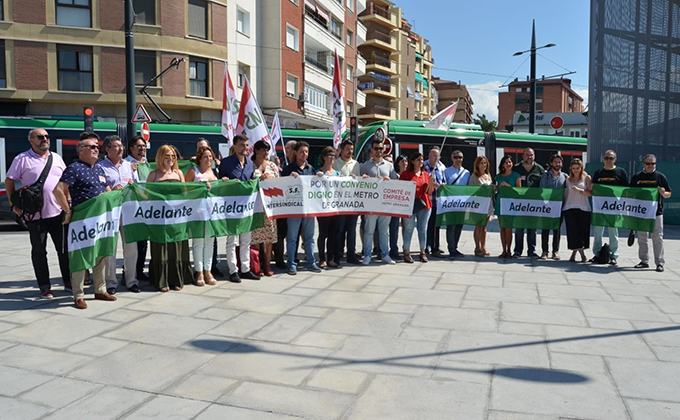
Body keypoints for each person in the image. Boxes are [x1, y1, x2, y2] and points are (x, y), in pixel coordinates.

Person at [5, 128, 70, 298]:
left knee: (64, 249)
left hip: (58, 213)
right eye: (40, 137)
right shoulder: (22, 159)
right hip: (35, 216)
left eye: (47, 136)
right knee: (39, 252)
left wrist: (68, 204)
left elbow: (65, 183)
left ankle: (68, 282)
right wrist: (14, 205)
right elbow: (9, 181)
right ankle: (44, 286)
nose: (44, 139)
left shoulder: (56, 158)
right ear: (31, 141)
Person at [53, 138, 116, 309]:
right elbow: (58, 190)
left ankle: (100, 289)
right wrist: (67, 210)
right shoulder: (74, 168)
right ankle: (78, 295)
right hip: (83, 220)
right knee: (80, 257)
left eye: (98, 147)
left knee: (100, 254)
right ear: (81, 150)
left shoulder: (99, 169)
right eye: (92, 147)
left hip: (100, 220)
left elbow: (105, 190)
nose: (97, 149)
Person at [146, 145, 194, 292]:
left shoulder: (179, 173)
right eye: (167, 156)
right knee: (161, 248)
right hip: (160, 219)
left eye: (173, 156)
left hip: (177, 218)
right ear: (160, 157)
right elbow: (147, 196)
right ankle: (162, 280)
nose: (171, 159)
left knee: (177, 248)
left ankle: (177, 279)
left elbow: (185, 194)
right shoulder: (154, 175)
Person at [97, 135, 140, 294]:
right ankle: (111, 283)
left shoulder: (128, 165)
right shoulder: (101, 167)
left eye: (121, 146)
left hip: (128, 210)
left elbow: (135, 184)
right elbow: (101, 187)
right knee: (111, 248)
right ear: (107, 149)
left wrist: (132, 185)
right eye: (116, 146)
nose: (120, 149)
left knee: (131, 248)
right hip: (111, 212)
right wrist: (111, 190)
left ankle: (131, 280)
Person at [218, 134, 262, 282]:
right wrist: (226, 181)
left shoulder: (250, 164)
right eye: (242, 145)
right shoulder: (226, 163)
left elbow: (252, 182)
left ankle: (245, 269)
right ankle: (233, 271)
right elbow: (220, 184)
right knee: (231, 241)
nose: (245, 148)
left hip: (246, 209)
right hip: (231, 208)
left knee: (246, 240)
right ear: (235, 146)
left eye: (247, 145)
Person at [282, 141, 322, 274]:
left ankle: (311, 262)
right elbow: (283, 187)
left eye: (306, 152)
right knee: (292, 237)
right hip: (294, 209)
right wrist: (289, 178)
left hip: (309, 209)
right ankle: (292, 263)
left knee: (310, 237)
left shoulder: (310, 169)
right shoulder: (289, 169)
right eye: (302, 152)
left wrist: (319, 177)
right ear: (296, 153)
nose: (304, 154)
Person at [631, 154, 672, 272]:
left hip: (656, 212)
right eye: (648, 163)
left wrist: (664, 193)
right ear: (643, 164)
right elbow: (629, 194)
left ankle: (659, 262)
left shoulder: (660, 177)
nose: (650, 166)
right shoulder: (637, 177)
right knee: (642, 237)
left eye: (653, 163)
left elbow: (669, 194)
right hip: (641, 212)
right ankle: (644, 261)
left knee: (658, 237)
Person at [360, 139, 397, 265]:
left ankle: (385, 254)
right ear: (371, 150)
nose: (378, 151)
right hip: (370, 204)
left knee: (384, 231)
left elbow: (396, 184)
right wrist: (364, 179)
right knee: (369, 230)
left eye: (380, 149)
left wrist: (389, 180)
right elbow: (359, 185)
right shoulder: (365, 166)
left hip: (385, 204)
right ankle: (367, 254)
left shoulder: (389, 166)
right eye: (376, 148)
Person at [186, 146, 218, 285]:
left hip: (212, 211)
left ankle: (208, 270)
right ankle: (198, 272)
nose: (209, 159)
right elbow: (185, 191)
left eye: (210, 156)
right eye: (206, 156)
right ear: (199, 158)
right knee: (198, 242)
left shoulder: (214, 172)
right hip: (197, 212)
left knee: (210, 242)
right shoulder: (193, 171)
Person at [590, 149, 628, 265]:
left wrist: (623, 205)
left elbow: (625, 191)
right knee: (598, 232)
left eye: (611, 158)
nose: (608, 160)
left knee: (613, 232)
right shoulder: (598, 173)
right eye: (606, 158)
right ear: (603, 159)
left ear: (615, 159)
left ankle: (613, 255)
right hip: (600, 208)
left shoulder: (621, 172)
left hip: (614, 208)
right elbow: (593, 188)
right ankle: (597, 254)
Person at [250, 140, 279, 276]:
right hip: (254, 206)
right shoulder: (249, 165)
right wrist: (257, 179)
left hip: (269, 206)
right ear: (256, 150)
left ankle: (267, 264)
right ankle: (257, 265)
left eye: (267, 150)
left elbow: (279, 183)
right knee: (255, 237)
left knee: (268, 237)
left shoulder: (272, 166)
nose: (265, 153)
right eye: (263, 150)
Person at [399, 153, 435, 263]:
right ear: (413, 161)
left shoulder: (425, 174)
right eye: (418, 160)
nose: (421, 162)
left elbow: (429, 192)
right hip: (410, 205)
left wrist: (431, 182)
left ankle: (422, 251)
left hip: (424, 205)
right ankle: (406, 252)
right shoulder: (406, 174)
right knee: (409, 229)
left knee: (422, 229)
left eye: (422, 160)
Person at [124, 135, 150, 282]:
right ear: (131, 148)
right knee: (131, 244)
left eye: (144, 146)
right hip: (132, 208)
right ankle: (129, 273)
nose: (142, 148)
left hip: (146, 208)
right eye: (139, 146)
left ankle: (139, 270)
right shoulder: (126, 164)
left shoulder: (147, 164)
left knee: (143, 242)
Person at [512, 148, 545, 258]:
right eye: (527, 155)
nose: (529, 157)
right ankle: (517, 251)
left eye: (531, 155)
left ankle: (532, 251)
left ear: (534, 156)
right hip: (519, 203)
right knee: (519, 228)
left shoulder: (539, 169)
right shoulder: (516, 168)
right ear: (523, 156)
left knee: (532, 229)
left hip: (534, 204)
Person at [333, 139, 361, 265]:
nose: (350, 152)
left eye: (351, 149)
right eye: (347, 149)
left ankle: (351, 254)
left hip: (353, 202)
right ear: (342, 150)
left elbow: (360, 183)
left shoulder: (356, 164)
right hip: (340, 203)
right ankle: (338, 253)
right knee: (340, 229)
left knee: (352, 230)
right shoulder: (336, 164)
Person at [315, 147, 341, 268]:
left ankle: (330, 258)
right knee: (323, 234)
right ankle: (321, 259)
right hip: (322, 208)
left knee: (332, 235)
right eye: (330, 156)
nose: (332, 158)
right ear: (324, 157)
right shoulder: (318, 172)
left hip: (335, 208)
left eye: (334, 156)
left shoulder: (338, 174)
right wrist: (317, 177)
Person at [538, 154, 567, 260]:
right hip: (547, 207)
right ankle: (544, 251)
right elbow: (542, 190)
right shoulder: (545, 176)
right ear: (551, 163)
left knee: (557, 230)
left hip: (559, 208)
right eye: (555, 162)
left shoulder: (565, 176)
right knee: (545, 229)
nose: (557, 164)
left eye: (559, 162)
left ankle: (555, 251)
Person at [563, 158, 592, 262]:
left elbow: (590, 192)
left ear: (581, 168)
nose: (576, 170)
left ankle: (575, 254)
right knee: (573, 232)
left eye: (578, 168)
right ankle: (581, 254)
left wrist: (580, 190)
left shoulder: (586, 178)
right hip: (569, 207)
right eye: (574, 168)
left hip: (583, 207)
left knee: (582, 232)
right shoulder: (568, 179)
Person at [443, 150, 471, 258]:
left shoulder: (467, 173)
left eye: (460, 157)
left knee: (459, 226)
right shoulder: (447, 171)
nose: (458, 159)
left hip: (462, 204)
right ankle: (451, 249)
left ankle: (456, 246)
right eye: (456, 157)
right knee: (451, 227)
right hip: (451, 203)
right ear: (452, 159)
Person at [495, 155, 521, 258]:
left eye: (510, 162)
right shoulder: (499, 176)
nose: (508, 164)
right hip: (500, 203)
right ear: (502, 164)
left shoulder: (516, 176)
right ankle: (503, 250)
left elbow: (519, 191)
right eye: (506, 162)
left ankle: (509, 250)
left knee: (509, 228)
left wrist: (509, 187)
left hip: (510, 204)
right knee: (502, 228)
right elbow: (495, 188)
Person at [468, 156, 494, 257]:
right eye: (481, 163)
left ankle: (483, 247)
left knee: (484, 227)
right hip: (478, 204)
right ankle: (477, 247)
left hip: (488, 204)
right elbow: (471, 191)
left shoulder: (488, 175)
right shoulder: (474, 176)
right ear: (477, 165)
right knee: (478, 226)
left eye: (485, 163)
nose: (483, 165)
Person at [423, 146, 446, 257]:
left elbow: (444, 181)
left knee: (436, 225)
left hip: (438, 201)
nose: (437, 158)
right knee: (427, 225)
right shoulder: (424, 166)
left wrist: (442, 185)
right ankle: (426, 246)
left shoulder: (442, 167)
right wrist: (430, 182)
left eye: (438, 156)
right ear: (429, 156)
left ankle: (435, 246)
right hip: (427, 200)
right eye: (435, 156)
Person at [389, 154, 408, 260]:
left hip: (406, 205)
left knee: (406, 227)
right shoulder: (394, 175)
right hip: (395, 205)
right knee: (394, 227)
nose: (404, 163)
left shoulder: (409, 175)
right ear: (398, 163)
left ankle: (406, 248)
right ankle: (393, 249)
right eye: (402, 161)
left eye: (406, 161)